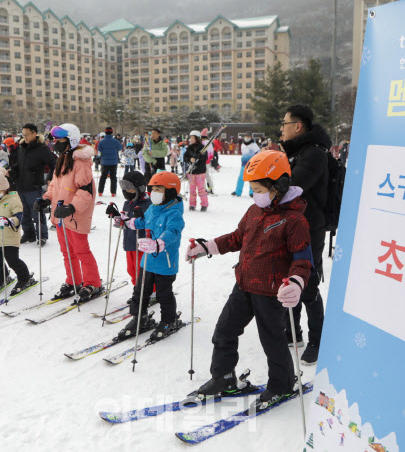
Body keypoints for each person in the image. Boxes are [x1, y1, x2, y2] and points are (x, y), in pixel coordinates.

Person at [185, 151, 313, 409]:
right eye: (252, 188)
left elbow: (303, 259)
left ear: (280, 185)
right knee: (224, 330)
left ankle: (283, 383)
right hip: (244, 284)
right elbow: (236, 238)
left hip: (271, 291)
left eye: (259, 188)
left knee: (272, 340)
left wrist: (297, 282)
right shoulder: (255, 210)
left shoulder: (294, 219)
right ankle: (223, 377)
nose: (255, 194)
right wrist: (206, 247)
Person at [279, 104, 331, 365]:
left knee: (308, 284)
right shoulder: (298, 151)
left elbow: (292, 188)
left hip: (309, 228)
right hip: (293, 225)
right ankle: (293, 331)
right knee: (290, 278)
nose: (281, 129)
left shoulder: (313, 154)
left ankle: (318, 341)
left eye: (284, 124)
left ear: (297, 126)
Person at [33, 124, 102, 301]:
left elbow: (86, 191)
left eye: (59, 140)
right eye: (54, 140)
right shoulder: (63, 159)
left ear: (71, 140)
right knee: (67, 251)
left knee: (81, 251)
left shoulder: (80, 162)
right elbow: (55, 185)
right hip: (61, 215)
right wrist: (47, 199)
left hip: (75, 215)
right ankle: (74, 280)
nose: (55, 143)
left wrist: (71, 207)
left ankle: (92, 282)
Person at [117, 171, 185, 341]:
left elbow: (173, 232)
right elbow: (142, 222)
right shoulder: (153, 209)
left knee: (163, 294)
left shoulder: (174, 212)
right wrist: (126, 221)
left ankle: (169, 320)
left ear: (170, 191)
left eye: (159, 189)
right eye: (152, 188)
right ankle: (140, 318)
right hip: (147, 261)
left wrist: (158, 243)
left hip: (165, 263)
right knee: (140, 291)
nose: (154, 192)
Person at [11, 123, 55, 246]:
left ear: (34, 133)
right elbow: (18, 164)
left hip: (34, 186)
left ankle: (42, 235)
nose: (24, 137)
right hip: (20, 185)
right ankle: (28, 233)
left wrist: (50, 178)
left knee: (37, 212)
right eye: (23, 135)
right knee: (23, 212)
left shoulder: (42, 149)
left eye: (27, 135)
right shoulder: (21, 147)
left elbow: (54, 163)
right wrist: (12, 170)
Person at [111, 171, 152, 286]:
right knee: (131, 270)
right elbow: (124, 223)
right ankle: (137, 289)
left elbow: (149, 224)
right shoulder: (127, 204)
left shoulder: (148, 205)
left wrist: (140, 218)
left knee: (142, 271)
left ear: (140, 189)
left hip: (141, 245)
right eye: (125, 190)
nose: (128, 193)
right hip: (129, 244)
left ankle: (150, 292)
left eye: (131, 190)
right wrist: (116, 216)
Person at [183, 130, 209, 212]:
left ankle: (204, 204)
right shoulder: (189, 148)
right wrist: (190, 159)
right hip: (191, 171)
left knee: (201, 189)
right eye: (190, 137)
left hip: (200, 171)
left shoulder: (202, 148)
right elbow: (185, 157)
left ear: (197, 138)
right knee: (192, 189)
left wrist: (197, 157)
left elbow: (205, 158)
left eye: (192, 137)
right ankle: (192, 204)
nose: (190, 139)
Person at [97, 126, 123, 197]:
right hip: (114, 162)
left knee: (103, 177)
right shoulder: (115, 141)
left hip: (104, 162)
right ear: (112, 132)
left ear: (105, 132)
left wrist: (98, 157)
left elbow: (99, 151)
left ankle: (100, 192)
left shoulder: (101, 141)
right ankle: (113, 192)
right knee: (113, 177)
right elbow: (120, 148)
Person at [232, 132, 260, 197]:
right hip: (244, 164)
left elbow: (258, 153)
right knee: (241, 178)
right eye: (246, 136)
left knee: (251, 178)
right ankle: (238, 192)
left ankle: (252, 192)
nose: (247, 138)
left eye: (248, 136)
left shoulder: (254, 145)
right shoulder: (243, 145)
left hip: (251, 164)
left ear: (251, 137)